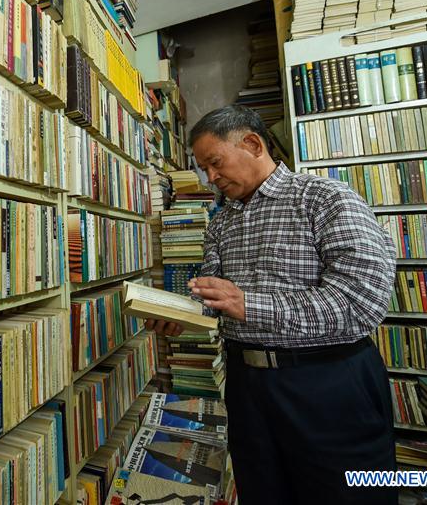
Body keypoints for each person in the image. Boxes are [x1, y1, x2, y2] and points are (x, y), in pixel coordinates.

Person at [145, 105, 398, 505]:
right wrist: (181, 314)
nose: (210, 178)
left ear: (252, 144)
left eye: (215, 163)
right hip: (248, 387)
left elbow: (361, 302)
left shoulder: (326, 199)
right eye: (203, 169)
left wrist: (249, 305)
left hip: (327, 382)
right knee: (262, 491)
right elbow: (215, 299)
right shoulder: (221, 222)